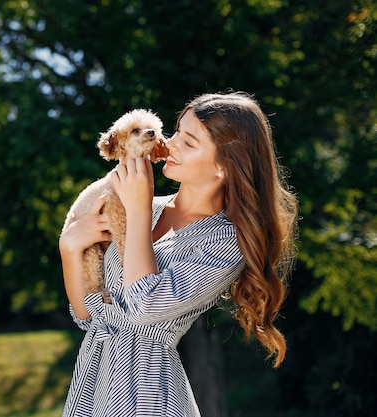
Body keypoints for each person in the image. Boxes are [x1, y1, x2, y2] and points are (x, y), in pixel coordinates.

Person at [58, 91, 299, 416]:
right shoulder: (141, 206)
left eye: (189, 142)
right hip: (91, 386)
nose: (169, 145)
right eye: (176, 133)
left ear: (224, 167)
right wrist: (69, 248)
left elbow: (144, 307)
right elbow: (89, 316)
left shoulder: (226, 242)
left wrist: (139, 208)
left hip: (145, 394)